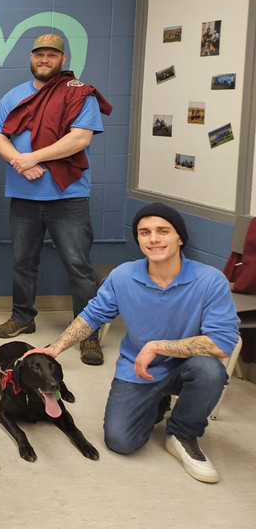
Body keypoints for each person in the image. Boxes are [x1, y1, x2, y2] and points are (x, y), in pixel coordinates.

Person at [26, 203, 239, 483]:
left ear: (180, 238)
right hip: (138, 370)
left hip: (186, 368)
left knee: (210, 370)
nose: (153, 239)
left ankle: (183, 433)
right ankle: (157, 403)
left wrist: (155, 346)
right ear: (138, 239)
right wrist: (55, 348)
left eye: (163, 231)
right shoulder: (124, 276)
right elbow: (91, 316)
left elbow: (222, 342)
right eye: (144, 232)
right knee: (120, 442)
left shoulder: (210, 280)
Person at [0, 33, 112, 365]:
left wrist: (34, 158)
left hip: (68, 195)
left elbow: (80, 138)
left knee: (79, 267)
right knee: (22, 262)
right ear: (31, 58)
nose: (44, 60)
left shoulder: (78, 94)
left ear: (62, 59)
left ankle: (87, 335)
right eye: (39, 54)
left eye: (51, 55)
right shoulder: (14, 96)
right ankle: (22, 316)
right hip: (23, 194)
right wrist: (19, 159)